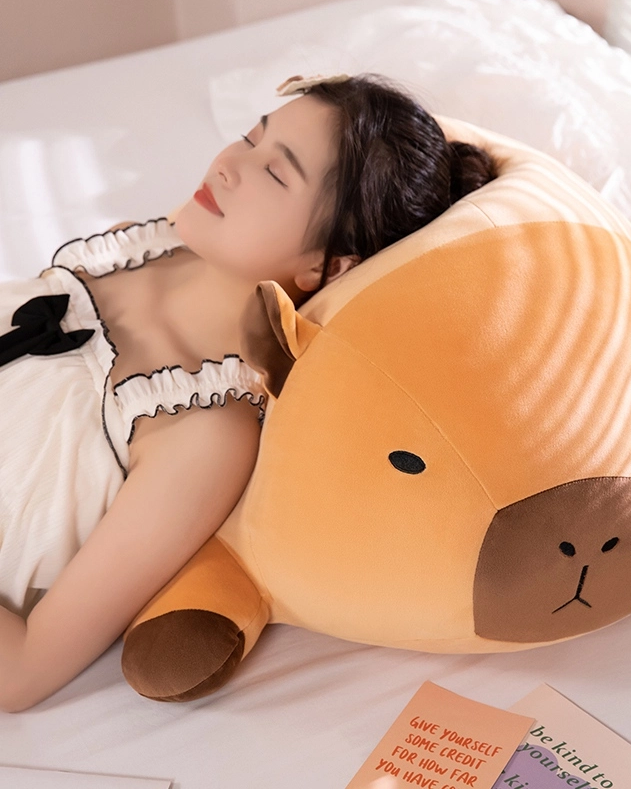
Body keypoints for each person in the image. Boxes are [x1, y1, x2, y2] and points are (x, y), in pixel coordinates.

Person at [0, 73, 496, 712]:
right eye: (250, 137)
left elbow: (21, 672)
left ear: (329, 265)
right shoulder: (128, 248)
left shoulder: (202, 432)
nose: (229, 164)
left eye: (276, 173)